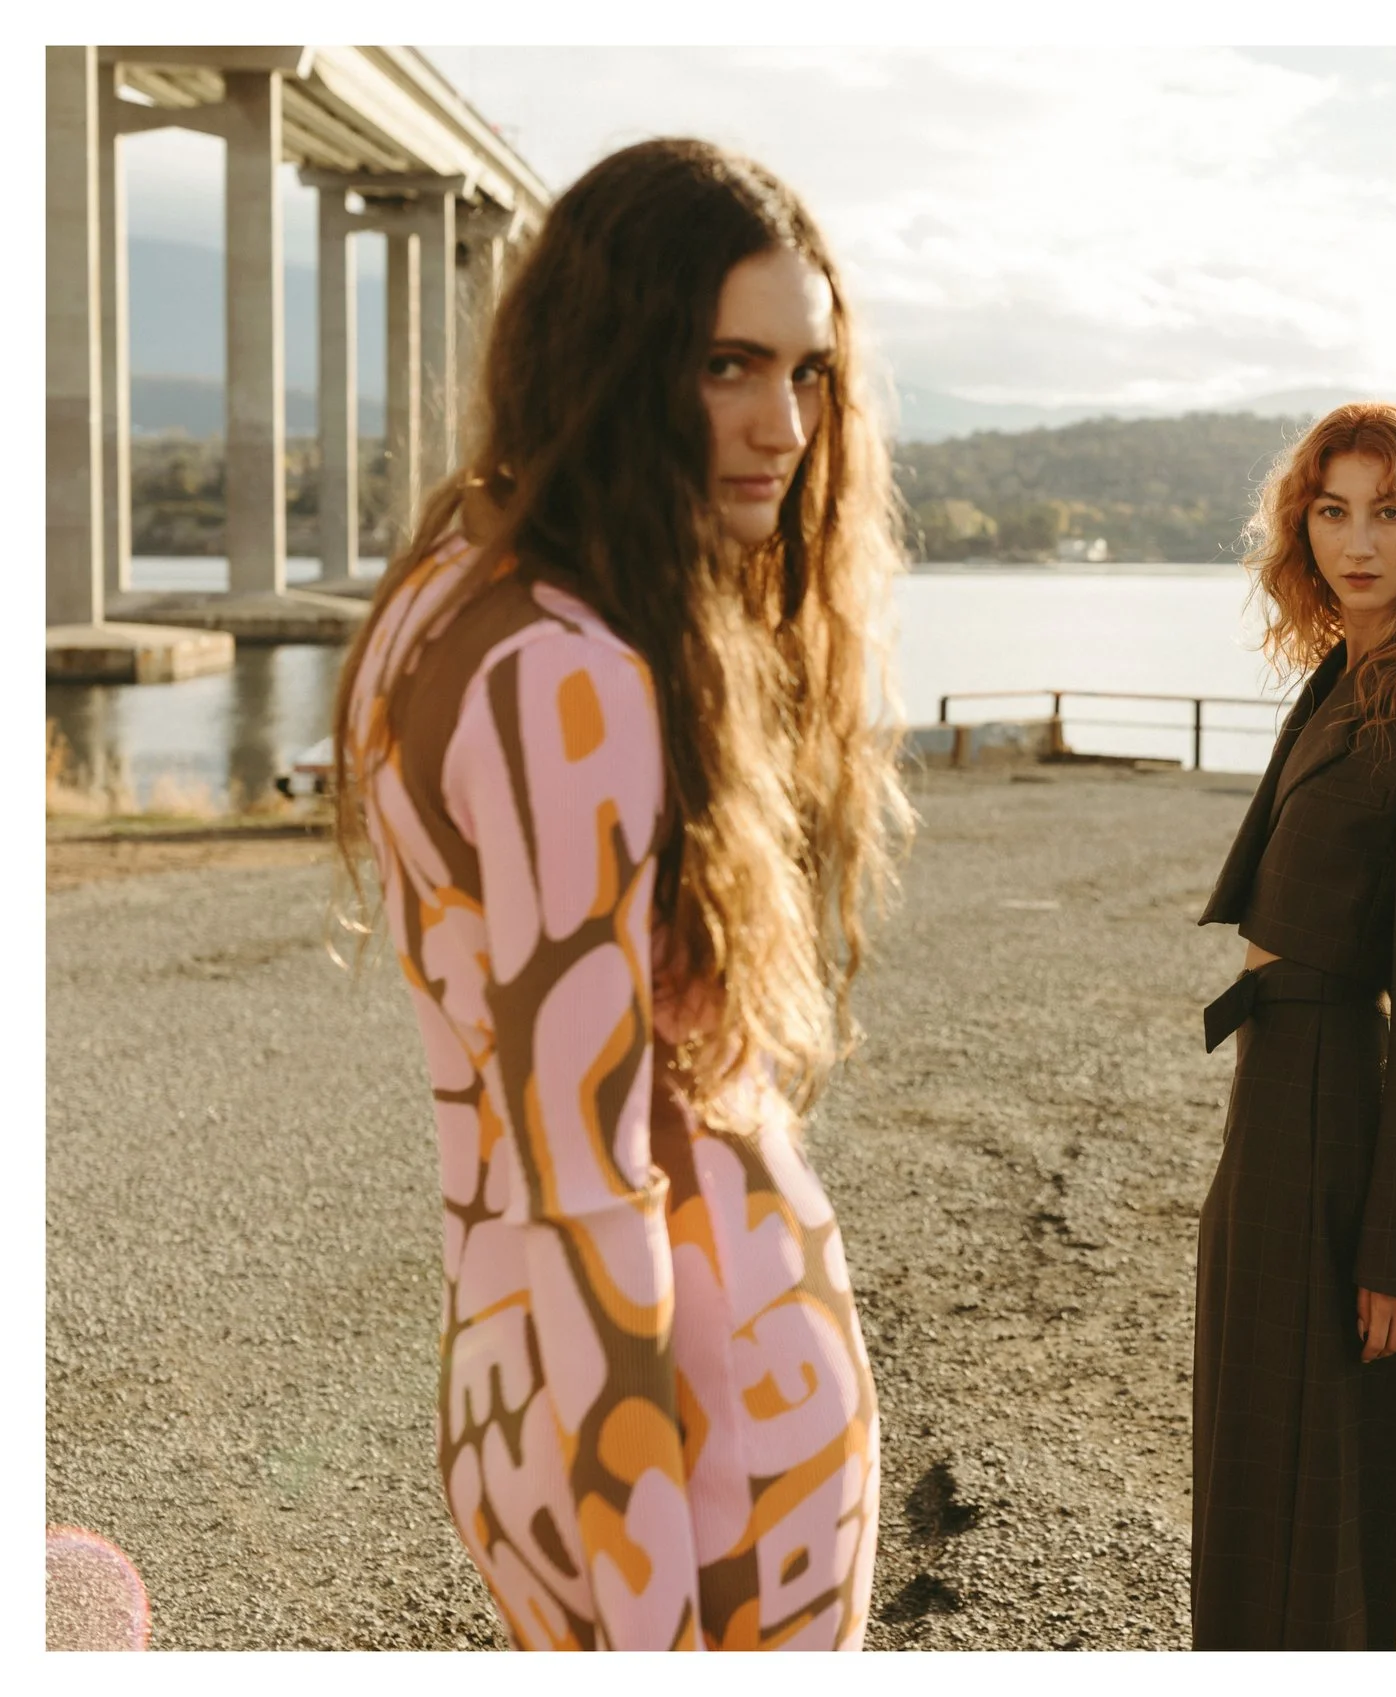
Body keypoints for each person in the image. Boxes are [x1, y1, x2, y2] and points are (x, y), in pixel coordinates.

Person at [328, 138, 910, 1651]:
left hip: (527, 1388)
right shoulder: (573, 679)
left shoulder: (449, 582)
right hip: (685, 1429)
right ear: (613, 355)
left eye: (806, 373)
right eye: (726, 363)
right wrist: (649, 1610)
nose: (780, 427)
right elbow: (592, 1194)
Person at [1193, 402, 1396, 1649]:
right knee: (1262, 1450)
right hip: (1275, 1089)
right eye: (1330, 509)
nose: (1357, 540)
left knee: (1343, 1472)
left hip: (1345, 1099)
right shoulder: (1352, 670)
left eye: (1390, 509)